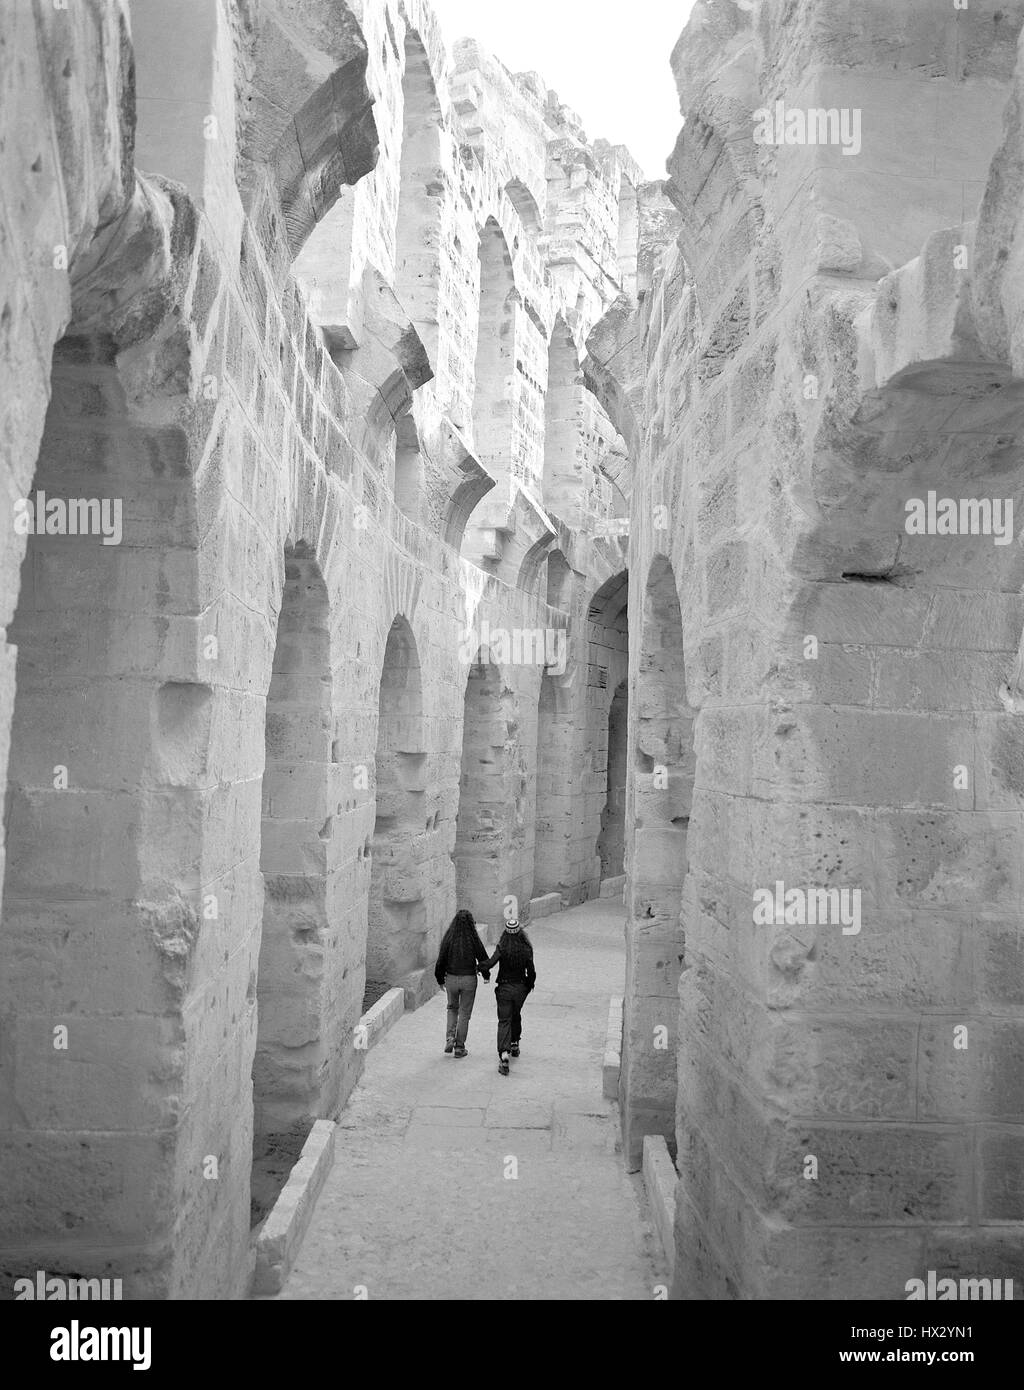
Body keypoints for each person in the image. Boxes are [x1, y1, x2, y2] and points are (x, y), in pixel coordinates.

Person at [481, 918, 536, 1075]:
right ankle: (515, 1044)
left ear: (506, 932)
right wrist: (528, 985)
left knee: (504, 1020)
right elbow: (531, 971)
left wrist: (479, 966)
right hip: (520, 989)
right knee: (516, 1014)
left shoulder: (502, 947)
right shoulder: (526, 948)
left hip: (504, 988)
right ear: (520, 932)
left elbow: (490, 963)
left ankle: (504, 1055)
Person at [434, 909, 490, 1058]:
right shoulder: (473, 939)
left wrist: (440, 979)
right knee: (465, 1013)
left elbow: (440, 961)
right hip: (469, 980)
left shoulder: (449, 938)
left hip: (451, 979)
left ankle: (450, 1037)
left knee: (452, 1008)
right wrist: (486, 975)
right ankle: (459, 1047)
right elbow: (484, 959)